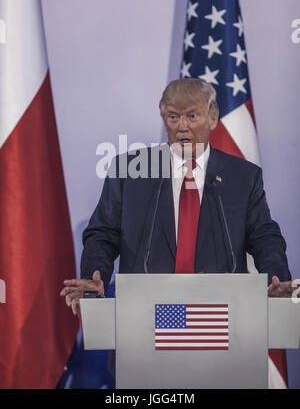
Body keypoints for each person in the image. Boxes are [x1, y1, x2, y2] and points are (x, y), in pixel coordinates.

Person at [61, 78, 294, 314]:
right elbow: (102, 235)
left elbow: (264, 237)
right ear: (164, 120)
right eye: (173, 117)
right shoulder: (130, 171)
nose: (182, 126)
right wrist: (93, 277)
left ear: (212, 118)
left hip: (220, 318)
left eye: (192, 116)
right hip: (144, 316)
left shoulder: (243, 176)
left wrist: (277, 278)